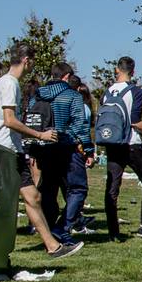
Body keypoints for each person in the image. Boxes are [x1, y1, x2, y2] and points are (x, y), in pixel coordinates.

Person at [0, 42, 81, 258]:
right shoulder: (10, 84)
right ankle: (52, 246)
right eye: (33, 61)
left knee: (30, 197)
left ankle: (52, 246)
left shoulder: (1, 83)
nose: (33, 66)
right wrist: (39, 135)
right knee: (26, 197)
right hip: (7, 151)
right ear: (26, 60)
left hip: (1, 149)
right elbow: (9, 120)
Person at [103, 56, 142, 241]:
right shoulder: (135, 92)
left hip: (113, 143)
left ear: (116, 70)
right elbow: (135, 121)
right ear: (133, 71)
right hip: (131, 143)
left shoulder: (107, 92)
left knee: (112, 187)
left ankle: (113, 231)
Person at [31, 62, 89, 246]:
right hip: (66, 146)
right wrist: (88, 149)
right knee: (78, 189)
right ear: (66, 76)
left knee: (48, 189)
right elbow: (80, 125)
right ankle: (62, 227)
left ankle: (47, 230)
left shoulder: (38, 96)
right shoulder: (73, 95)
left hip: (43, 146)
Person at [64, 79, 95, 236]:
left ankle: (72, 220)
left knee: (68, 189)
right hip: (76, 149)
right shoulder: (82, 107)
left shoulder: (60, 101)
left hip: (59, 148)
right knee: (78, 188)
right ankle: (68, 224)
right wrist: (89, 151)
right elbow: (83, 131)